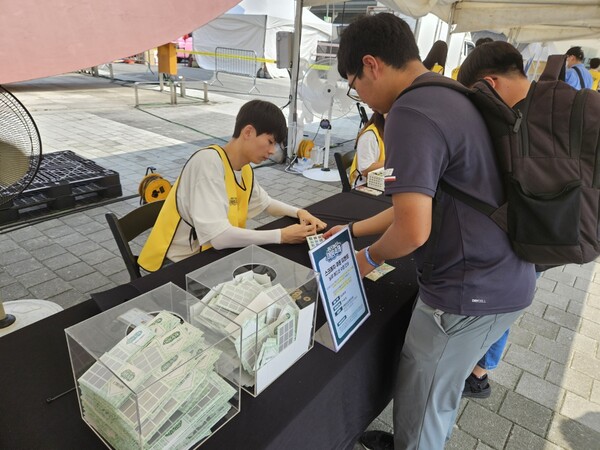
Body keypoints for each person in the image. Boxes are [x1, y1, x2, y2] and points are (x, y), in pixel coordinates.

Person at [330, 13, 536, 450]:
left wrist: (364, 260)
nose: (359, 95)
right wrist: (351, 232)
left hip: (467, 291)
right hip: (501, 274)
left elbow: (412, 230)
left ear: (371, 64)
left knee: (427, 404)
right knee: (428, 390)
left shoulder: (410, 111)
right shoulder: (450, 94)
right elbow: (416, 205)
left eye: (354, 83)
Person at [138, 99, 327, 272]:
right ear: (248, 132)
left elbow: (265, 203)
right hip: (177, 263)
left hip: (211, 255)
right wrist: (281, 236)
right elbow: (219, 238)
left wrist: (300, 212)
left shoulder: (243, 169)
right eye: (270, 141)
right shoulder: (208, 162)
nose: (271, 151)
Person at [349, 112, 385, 186]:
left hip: (384, 181)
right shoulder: (369, 137)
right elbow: (366, 170)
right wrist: (394, 161)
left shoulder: (391, 132)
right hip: (366, 185)